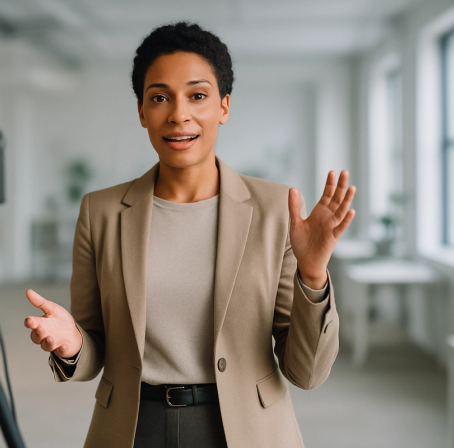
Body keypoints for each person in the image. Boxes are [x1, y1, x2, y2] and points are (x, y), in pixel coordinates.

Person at [24, 22, 356, 448]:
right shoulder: (100, 212)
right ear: (142, 111)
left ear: (224, 107)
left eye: (197, 96)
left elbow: (306, 373)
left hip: (247, 431)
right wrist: (72, 346)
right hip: (132, 428)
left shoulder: (276, 210)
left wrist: (312, 276)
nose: (178, 114)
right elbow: (93, 351)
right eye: (159, 97)